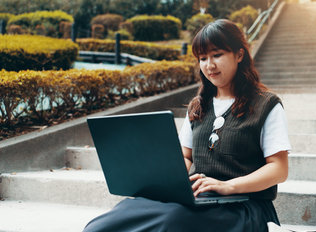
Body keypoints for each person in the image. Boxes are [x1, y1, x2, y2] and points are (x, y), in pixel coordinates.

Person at [83, 19, 291, 232]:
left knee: (171, 221)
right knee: (109, 222)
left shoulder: (266, 104)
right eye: (203, 58)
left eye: (217, 55)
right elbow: (185, 156)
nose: (209, 65)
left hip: (245, 206)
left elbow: (279, 168)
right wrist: (165, 184)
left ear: (239, 55)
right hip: (201, 199)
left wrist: (228, 186)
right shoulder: (199, 106)